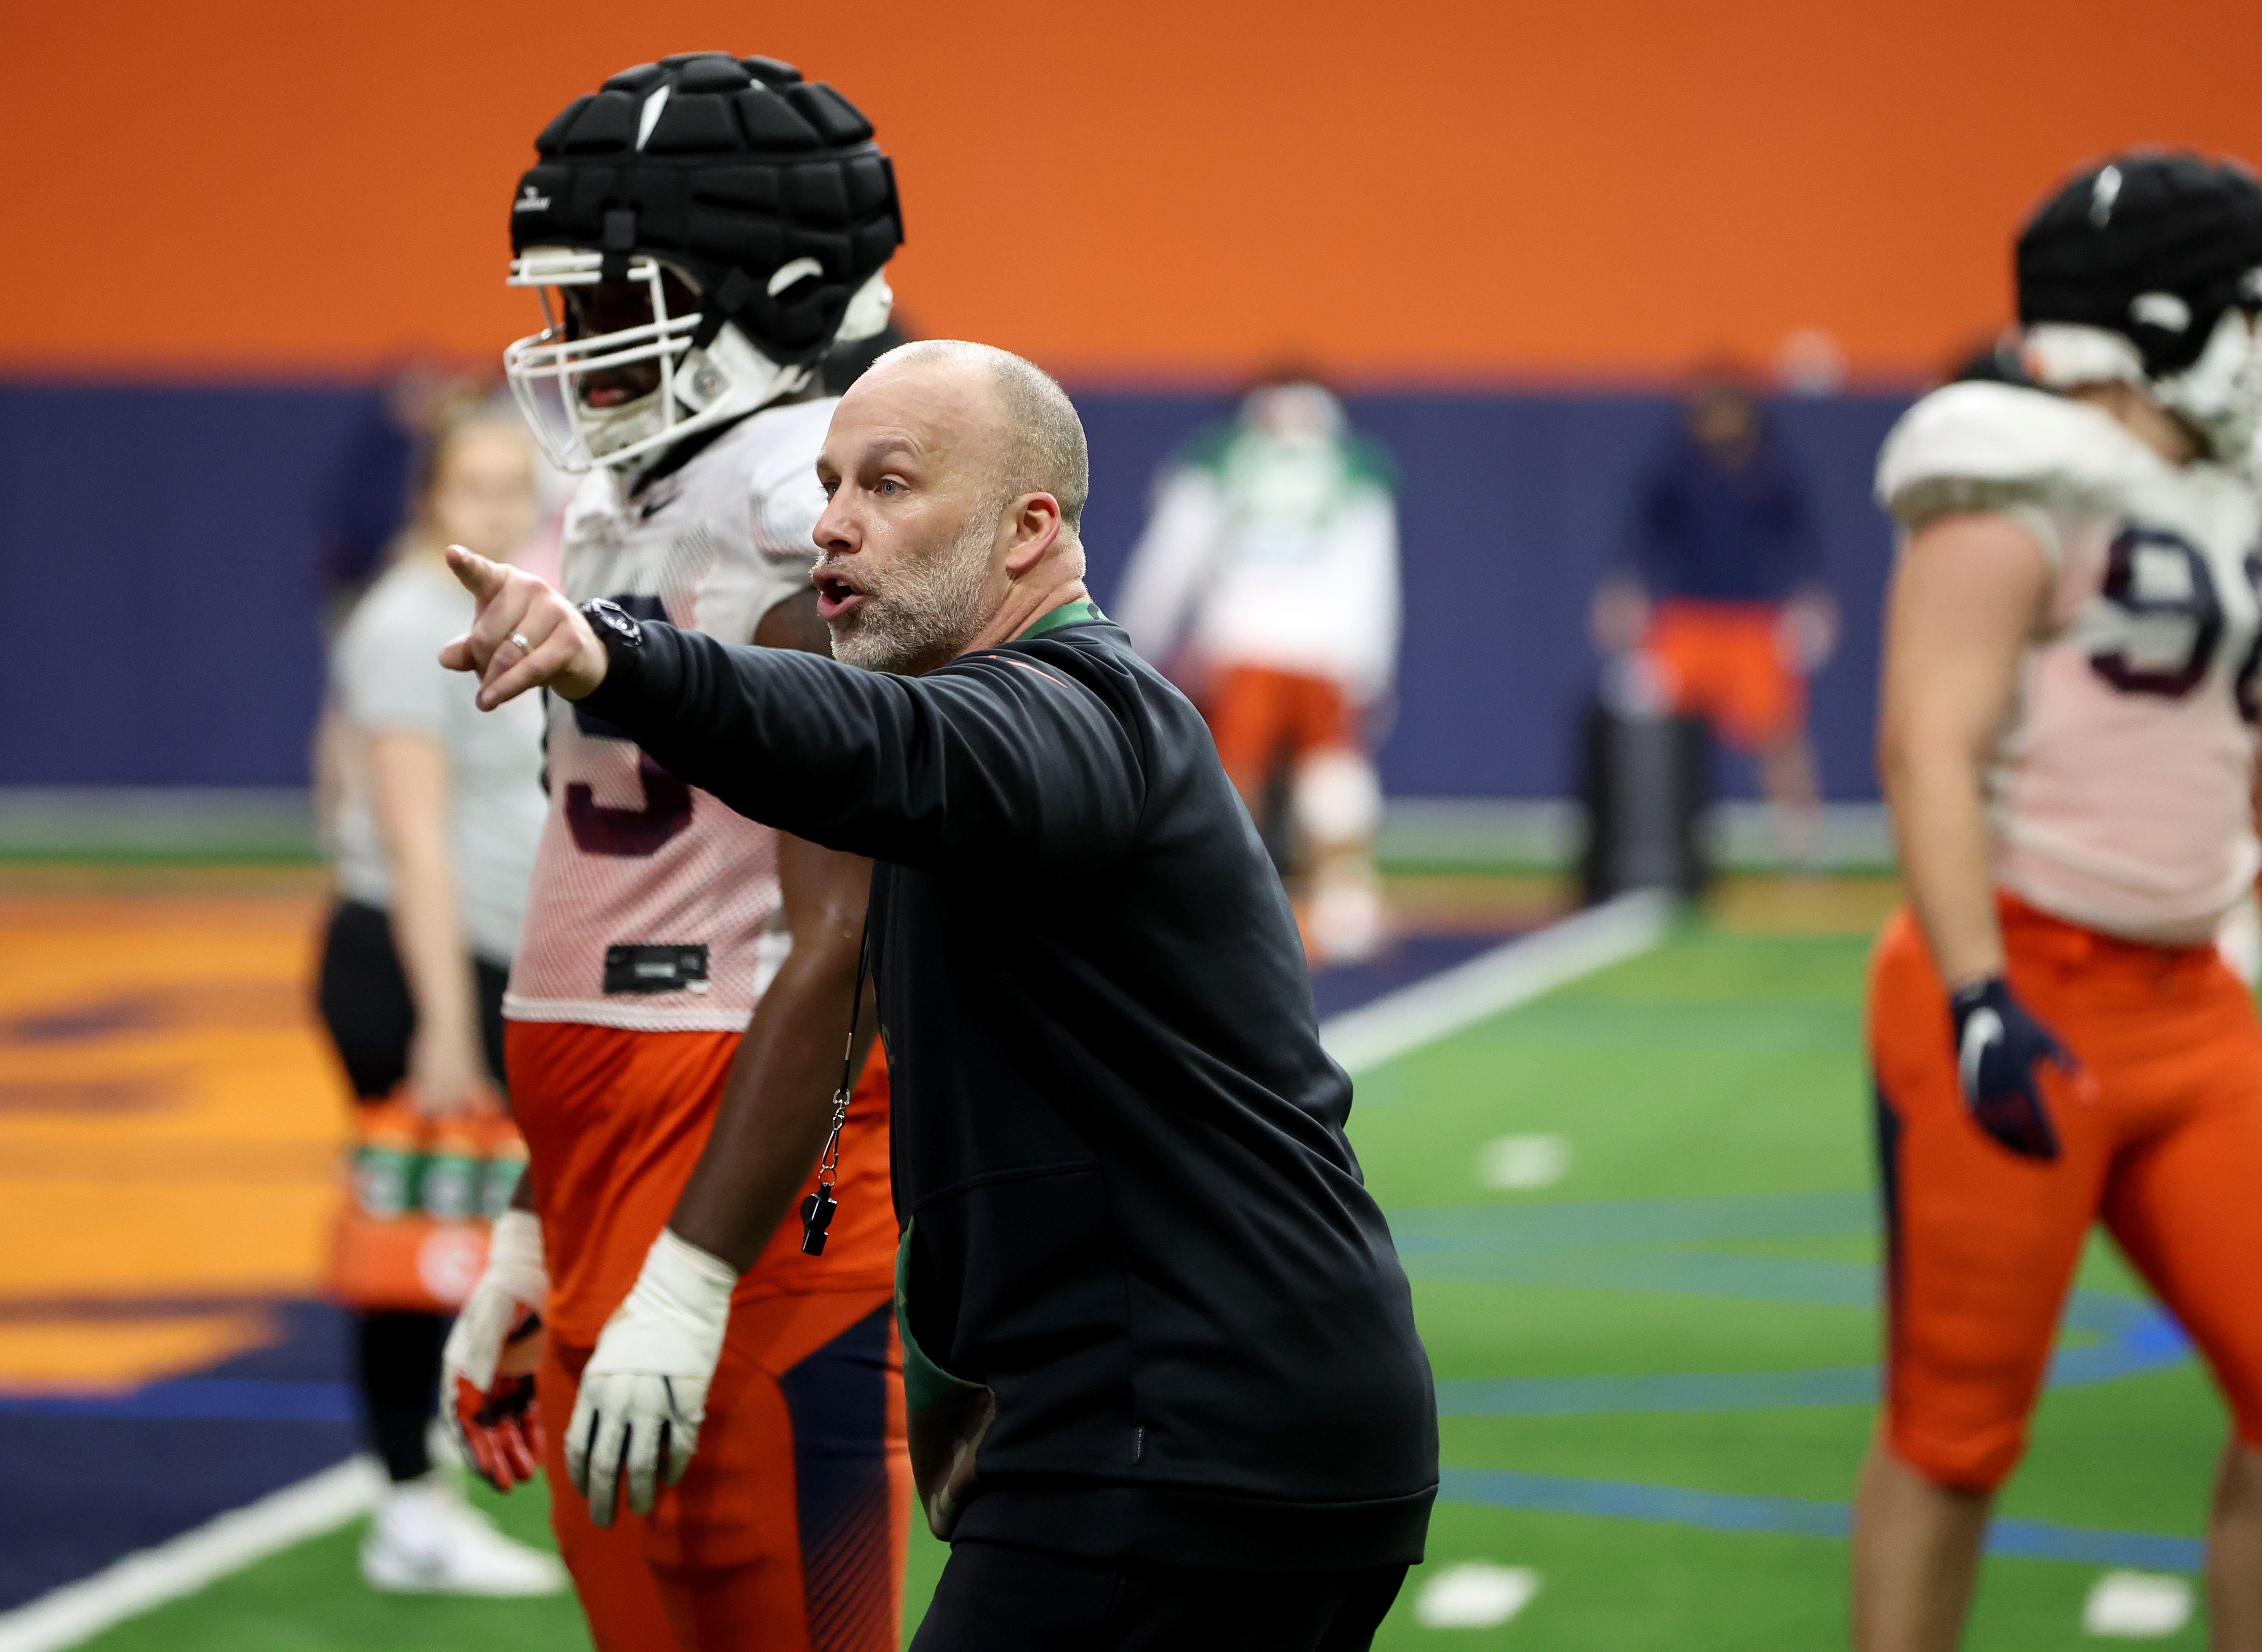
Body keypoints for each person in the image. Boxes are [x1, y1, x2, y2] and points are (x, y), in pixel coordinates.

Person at [439, 337, 1441, 1652]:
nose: (833, 520)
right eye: (828, 480)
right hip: (1205, 1420)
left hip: (1181, 1431)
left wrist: (619, 660)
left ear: (1030, 529)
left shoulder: (1084, 713)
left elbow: (876, 746)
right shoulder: (1002, 734)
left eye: (889, 484)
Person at [1857, 150, 2262, 1652]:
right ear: (2157, 314)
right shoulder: (2008, 475)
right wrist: (1978, 991)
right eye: (2255, 314)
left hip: (2192, 1002)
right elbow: (1927, 741)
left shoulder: (2241, 503)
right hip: (2018, 984)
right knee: (1957, 1429)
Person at [435, 52, 913, 1652]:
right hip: (606, 1170)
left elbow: (837, 938)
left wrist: (694, 1270)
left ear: (774, 290)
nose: (584, 342)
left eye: (626, 295)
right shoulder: (637, 490)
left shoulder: (811, 497)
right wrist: (533, 1223)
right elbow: (610, 892)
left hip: (745, 1167)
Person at [316, 403, 560, 1594]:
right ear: (430, 497)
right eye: (475, 486)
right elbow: (413, 842)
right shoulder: (411, 619)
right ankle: (411, 1508)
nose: (500, 509)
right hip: (425, 973)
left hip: (475, 961)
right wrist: (450, 1029)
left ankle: (433, 1489)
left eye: (517, 485)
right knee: (421, 1250)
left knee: (473, 1237)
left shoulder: (488, 605)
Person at [1115, 375, 1401, 962]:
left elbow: (1173, 557)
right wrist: (1371, 664)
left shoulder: (1220, 458)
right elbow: (1372, 572)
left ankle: (1215, 905)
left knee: (1230, 781)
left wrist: (1134, 638)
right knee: (1331, 778)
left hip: (1239, 641)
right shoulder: (1354, 467)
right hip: (1324, 648)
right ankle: (1343, 907)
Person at [1592, 368, 1835, 865]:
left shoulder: (1771, 470)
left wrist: (1812, 599)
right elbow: (1640, 540)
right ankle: (1656, 833)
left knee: (1779, 732)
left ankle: (1800, 842)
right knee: (1661, 729)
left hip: (1752, 623)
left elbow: (1803, 544)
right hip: (1687, 621)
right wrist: (1624, 593)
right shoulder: (1677, 470)